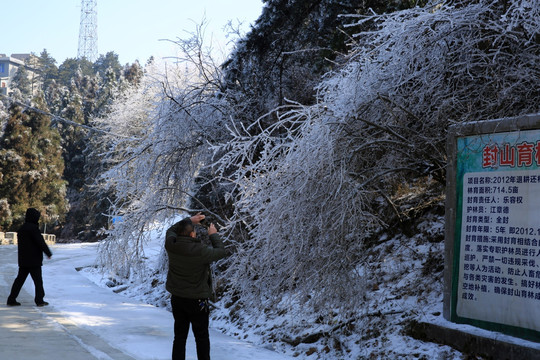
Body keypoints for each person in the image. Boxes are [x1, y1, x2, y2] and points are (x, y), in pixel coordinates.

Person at [165, 213, 228, 360]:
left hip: (178, 298)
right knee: (201, 337)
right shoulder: (201, 251)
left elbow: (170, 231)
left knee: (179, 336)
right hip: (197, 300)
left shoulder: (171, 245)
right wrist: (213, 235)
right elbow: (221, 251)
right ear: (193, 234)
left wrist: (188, 221)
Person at [7, 208, 52, 307]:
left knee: (19, 280)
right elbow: (41, 243)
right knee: (38, 281)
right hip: (34, 260)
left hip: (23, 260)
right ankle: (39, 300)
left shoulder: (22, 229)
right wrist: (48, 253)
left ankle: (11, 299)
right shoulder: (34, 229)